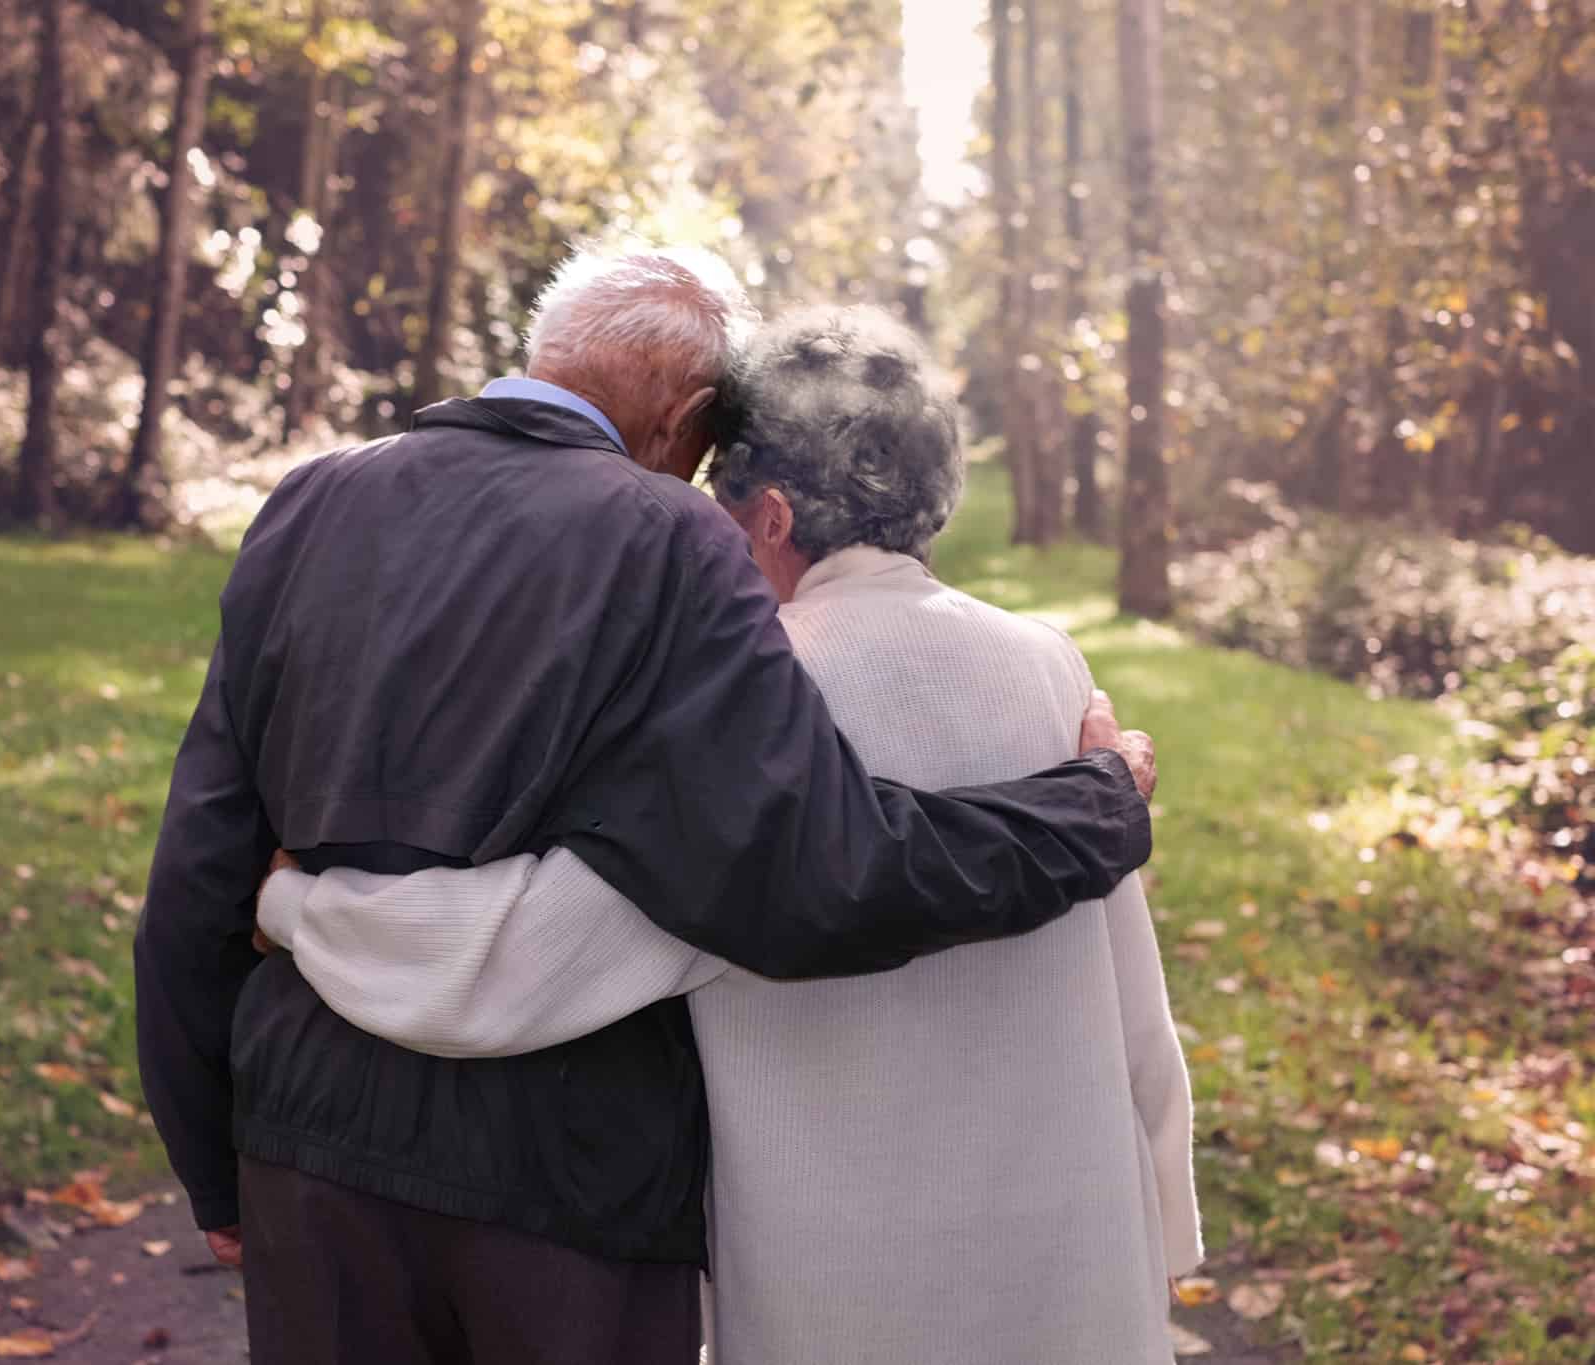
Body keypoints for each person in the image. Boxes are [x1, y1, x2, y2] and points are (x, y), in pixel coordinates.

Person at [133, 247, 1159, 1365]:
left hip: (302, 1146)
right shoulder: (669, 535)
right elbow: (811, 867)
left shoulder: (312, 497)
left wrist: (211, 1162)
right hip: (565, 1178)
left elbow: (200, 860)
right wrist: (1095, 806)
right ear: (685, 416)